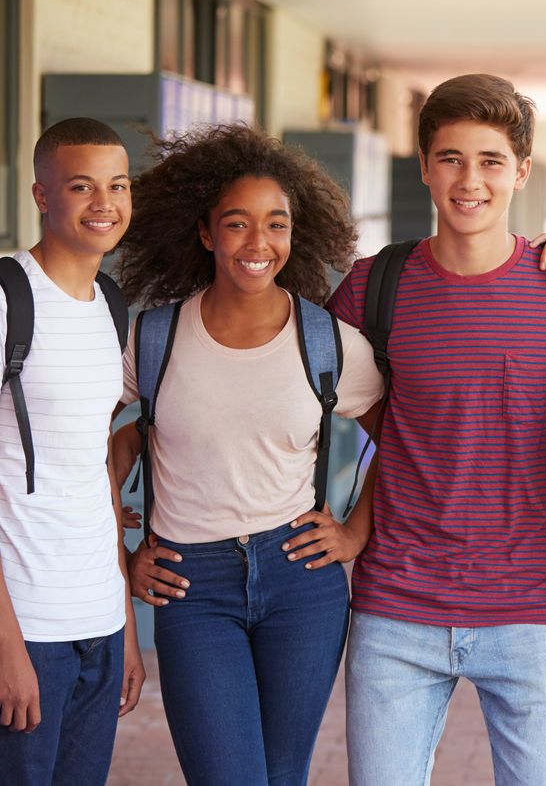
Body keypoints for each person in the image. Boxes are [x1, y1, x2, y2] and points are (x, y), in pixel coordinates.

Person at [326, 74, 546, 786]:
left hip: (534, 608)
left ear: (521, 170)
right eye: (450, 158)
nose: (469, 180)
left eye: (490, 160)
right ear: (424, 165)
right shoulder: (373, 286)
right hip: (397, 606)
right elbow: (294, 390)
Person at [111, 124, 385, 786]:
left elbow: (402, 437)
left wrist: (355, 530)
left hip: (301, 581)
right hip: (190, 583)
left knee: (281, 776)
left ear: (295, 234)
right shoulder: (155, 339)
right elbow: (92, 447)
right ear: (206, 233)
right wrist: (120, 558)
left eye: (275, 224)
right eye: (237, 224)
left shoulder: (328, 343)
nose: (258, 244)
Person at [0, 118, 144, 785]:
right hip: (24, 623)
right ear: (41, 194)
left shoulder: (111, 308)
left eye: (117, 185)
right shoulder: (8, 301)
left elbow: (97, 475)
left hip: (98, 621)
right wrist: (6, 645)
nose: (104, 203)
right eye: (82, 186)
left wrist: (126, 625)